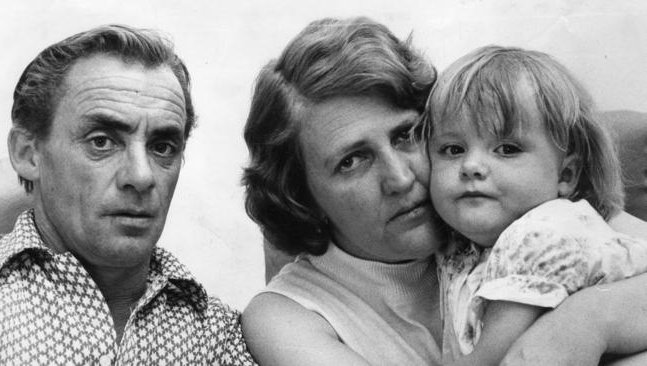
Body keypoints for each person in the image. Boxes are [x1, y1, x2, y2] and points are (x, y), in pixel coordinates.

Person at [241, 16, 647, 366]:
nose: (400, 178)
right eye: (352, 161)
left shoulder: (508, 200)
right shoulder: (288, 315)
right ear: (302, 195)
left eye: (406, 135)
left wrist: (593, 319)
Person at [0, 25, 256, 365]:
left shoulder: (218, 336)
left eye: (163, 147)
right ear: (28, 154)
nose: (141, 175)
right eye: (101, 141)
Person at [427, 45, 647, 366]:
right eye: (452, 149)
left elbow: (494, 357)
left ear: (566, 174)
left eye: (506, 148)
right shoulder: (463, 247)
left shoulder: (541, 233)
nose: (471, 165)